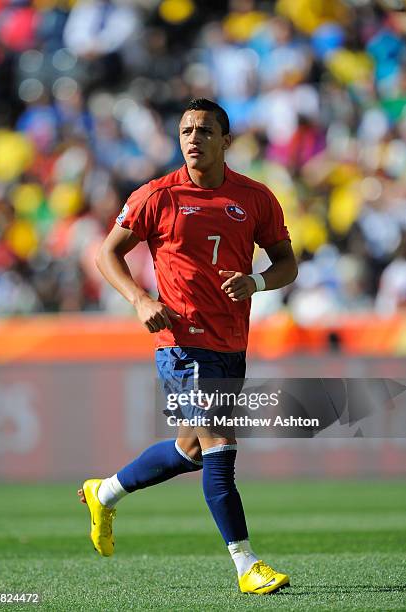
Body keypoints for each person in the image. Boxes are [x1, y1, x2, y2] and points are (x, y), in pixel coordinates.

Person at [78, 98, 298, 595]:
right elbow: (106, 253)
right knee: (220, 444)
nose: (192, 139)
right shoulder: (158, 195)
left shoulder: (257, 198)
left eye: (203, 130)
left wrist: (258, 284)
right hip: (181, 341)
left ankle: (105, 492)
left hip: (231, 343)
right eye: (185, 131)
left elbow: (287, 263)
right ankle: (247, 565)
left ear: (226, 141)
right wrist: (137, 298)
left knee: (192, 448)